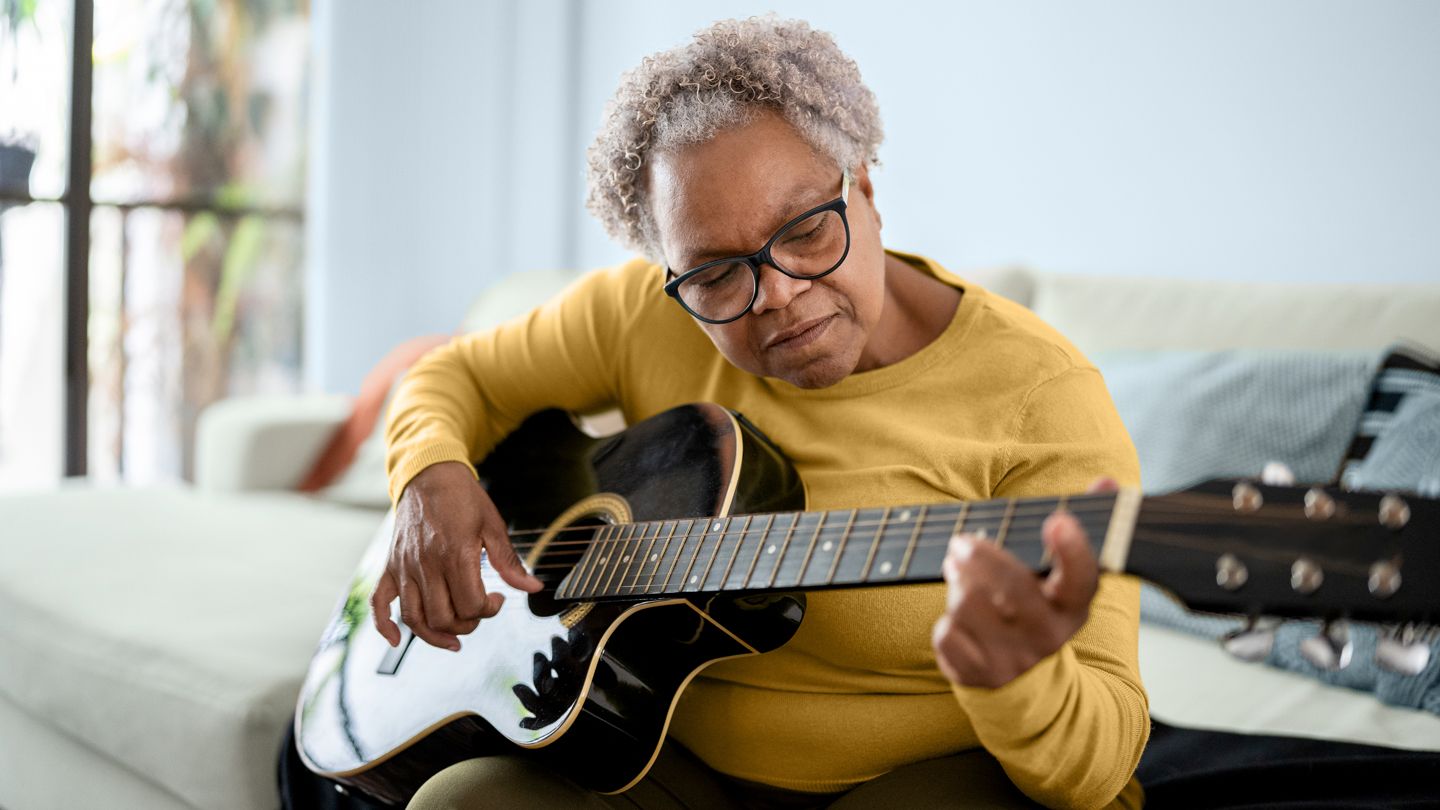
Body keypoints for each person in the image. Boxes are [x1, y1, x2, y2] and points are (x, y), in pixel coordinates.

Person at [375, 16, 1147, 810]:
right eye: (713, 276)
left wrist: (1023, 682)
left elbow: (1102, 765)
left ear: (866, 188)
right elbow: (457, 376)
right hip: (673, 765)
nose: (777, 292)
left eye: (808, 231)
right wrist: (429, 477)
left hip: (925, 777)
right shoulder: (647, 312)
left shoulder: (1039, 396)